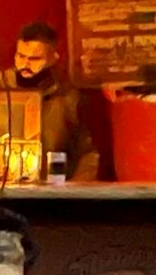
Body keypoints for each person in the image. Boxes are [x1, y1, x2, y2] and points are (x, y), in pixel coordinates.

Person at [11, 21, 106, 181]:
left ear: (53, 58)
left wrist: (73, 193)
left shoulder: (67, 99)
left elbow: (87, 154)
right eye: (21, 56)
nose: (25, 64)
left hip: (51, 191)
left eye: (35, 58)